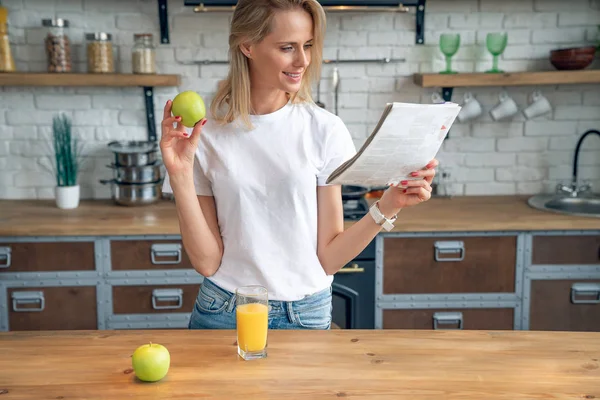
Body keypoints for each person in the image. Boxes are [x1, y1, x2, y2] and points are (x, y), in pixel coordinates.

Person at [160, 0, 438, 330]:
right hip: (225, 310)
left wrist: (388, 206)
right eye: (287, 47)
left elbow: (329, 258)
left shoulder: (324, 129)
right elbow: (207, 262)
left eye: (307, 45)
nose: (303, 60)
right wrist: (179, 175)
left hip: (306, 313)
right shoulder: (207, 134)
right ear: (247, 45)